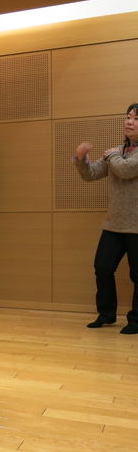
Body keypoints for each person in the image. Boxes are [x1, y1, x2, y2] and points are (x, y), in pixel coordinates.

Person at [75, 103, 138, 334]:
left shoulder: (115, 155)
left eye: (136, 118)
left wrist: (111, 155)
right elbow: (91, 174)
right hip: (114, 224)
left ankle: (136, 320)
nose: (129, 122)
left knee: (137, 275)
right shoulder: (117, 152)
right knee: (102, 267)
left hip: (136, 226)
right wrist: (81, 158)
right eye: (128, 117)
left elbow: (126, 170)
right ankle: (106, 314)